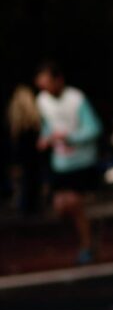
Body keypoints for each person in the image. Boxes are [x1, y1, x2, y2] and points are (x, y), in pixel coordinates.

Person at [35, 62, 103, 263]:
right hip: (61, 162)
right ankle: (86, 236)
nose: (45, 89)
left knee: (75, 204)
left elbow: (94, 128)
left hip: (81, 161)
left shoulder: (76, 99)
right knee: (60, 207)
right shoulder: (42, 101)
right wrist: (45, 138)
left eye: (48, 84)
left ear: (59, 80)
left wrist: (71, 138)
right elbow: (49, 125)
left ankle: (86, 246)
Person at [8, 85, 45, 217]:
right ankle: (34, 209)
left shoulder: (16, 122)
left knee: (24, 184)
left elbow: (14, 145)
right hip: (34, 157)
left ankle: (26, 210)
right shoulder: (35, 119)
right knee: (33, 183)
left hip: (23, 158)